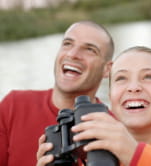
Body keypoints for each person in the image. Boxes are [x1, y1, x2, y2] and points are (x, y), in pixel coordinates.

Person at [0, 20, 114, 166]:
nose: (73, 54)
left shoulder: (115, 131)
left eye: (90, 49)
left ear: (107, 69)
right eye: (67, 44)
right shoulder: (14, 105)